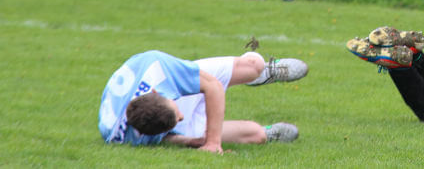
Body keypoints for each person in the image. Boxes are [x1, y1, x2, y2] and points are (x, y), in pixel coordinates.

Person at [98, 50, 309, 152]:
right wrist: (189, 141)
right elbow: (163, 139)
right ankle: (268, 132)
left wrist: (213, 143)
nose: (181, 116)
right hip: (158, 101)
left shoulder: (160, 68)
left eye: (176, 113)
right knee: (257, 135)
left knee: (253, 66)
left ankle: (263, 73)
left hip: (172, 80)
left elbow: (213, 86)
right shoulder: (126, 136)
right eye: (177, 121)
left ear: (158, 93)